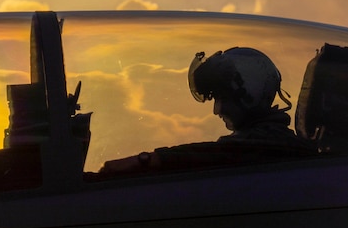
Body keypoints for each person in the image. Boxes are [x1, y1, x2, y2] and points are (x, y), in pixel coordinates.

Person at [101, 47, 308, 173]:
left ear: (247, 93)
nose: (217, 110)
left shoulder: (266, 148)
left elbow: (215, 155)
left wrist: (146, 162)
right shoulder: (272, 144)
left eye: (220, 97)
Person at [187, 47, 298, 143]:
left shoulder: (246, 150)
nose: (217, 111)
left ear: (250, 97)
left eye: (223, 99)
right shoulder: (284, 143)